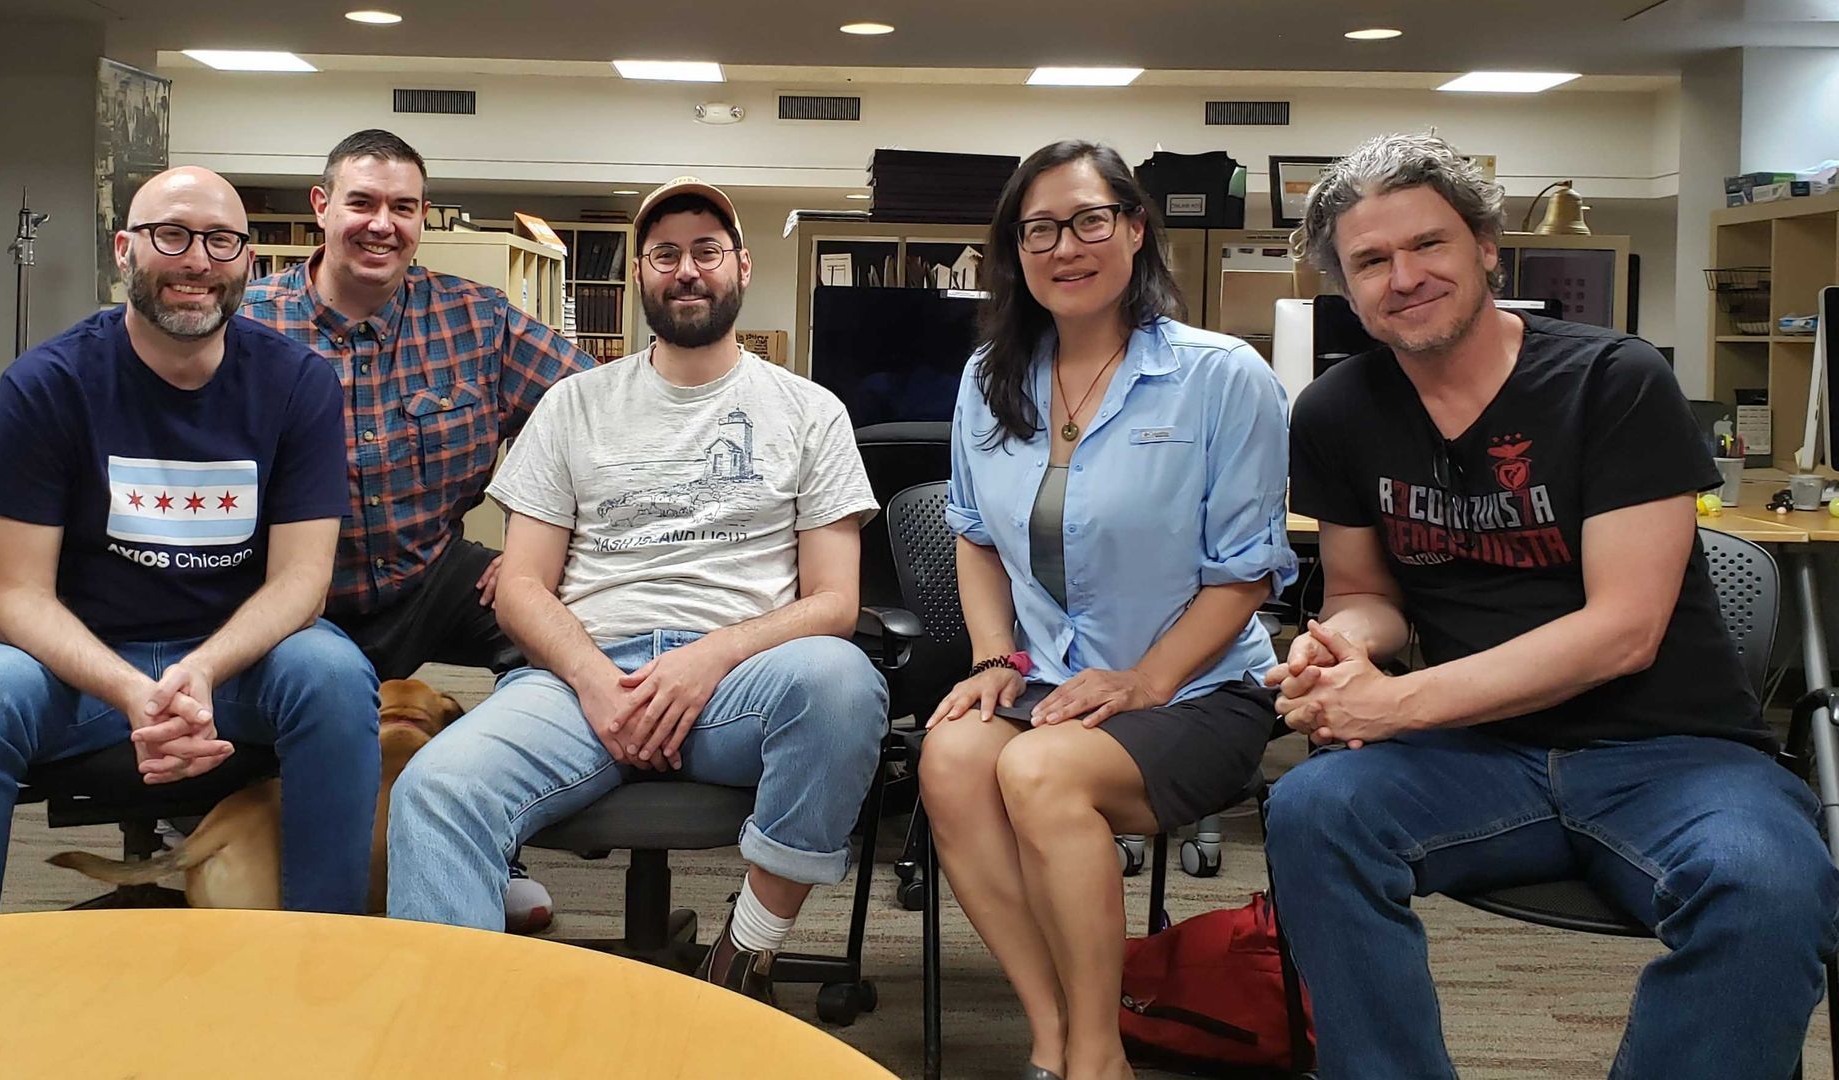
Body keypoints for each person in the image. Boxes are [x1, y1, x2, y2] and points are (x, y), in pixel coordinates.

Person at [1265, 131, 1839, 1079]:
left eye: (1429, 246)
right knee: (1315, 813)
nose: (1403, 276)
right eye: (1371, 261)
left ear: (1485, 247)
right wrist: (1344, 651)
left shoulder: (1612, 382)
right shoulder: (1337, 410)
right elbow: (1370, 594)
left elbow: (1624, 630)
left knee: (1771, 882)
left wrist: (1398, 703)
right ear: (1344, 285)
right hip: (1479, 757)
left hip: (1672, 754)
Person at [384, 177, 889, 999]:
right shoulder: (572, 405)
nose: (686, 270)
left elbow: (833, 602)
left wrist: (707, 659)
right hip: (580, 682)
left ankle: (742, 954)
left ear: (742, 266)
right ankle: (454, 1034)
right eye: (665, 254)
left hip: (737, 687)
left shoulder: (809, 412)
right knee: (437, 791)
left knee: (841, 683)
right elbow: (520, 587)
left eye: (705, 251)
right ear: (641, 274)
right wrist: (596, 683)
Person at [916, 140, 1296, 1080]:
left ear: (1132, 228)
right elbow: (972, 532)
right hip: (1046, 682)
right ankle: (1054, 1030)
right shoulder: (988, 379)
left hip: (1200, 691)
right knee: (953, 758)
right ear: (1016, 248)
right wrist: (994, 658)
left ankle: (1096, 1059)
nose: (1064, 246)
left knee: (1041, 772)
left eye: (1089, 220)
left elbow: (1247, 573)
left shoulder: (1222, 377)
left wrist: (1140, 682)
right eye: (1038, 228)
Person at [0, 167, 380, 917]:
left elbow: (303, 582)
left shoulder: (298, 384)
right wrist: (134, 693)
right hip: (74, 670)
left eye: (221, 240)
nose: (197, 260)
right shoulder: (46, 385)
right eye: (172, 235)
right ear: (124, 250)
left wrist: (200, 671)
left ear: (249, 262)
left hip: (236, 664)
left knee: (333, 676)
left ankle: (323, 950)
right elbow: (14, 596)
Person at [241, 129, 594, 930]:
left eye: (402, 207)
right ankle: (265, 844)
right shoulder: (248, 326)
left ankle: (492, 843)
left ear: (422, 217)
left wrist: (536, 557)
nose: (381, 224)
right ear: (321, 208)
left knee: (565, 631)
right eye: (361, 202)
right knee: (305, 694)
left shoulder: (475, 319)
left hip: (430, 572)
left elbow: (596, 418)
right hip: (294, 590)